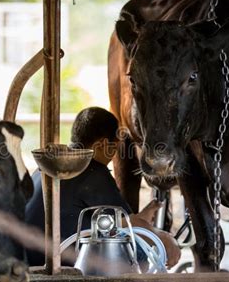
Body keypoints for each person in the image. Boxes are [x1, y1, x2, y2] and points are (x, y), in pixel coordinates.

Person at [25, 107, 181, 268]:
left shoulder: (47, 167)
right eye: (114, 148)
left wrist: (142, 217)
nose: (113, 155)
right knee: (136, 249)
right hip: (54, 262)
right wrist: (165, 238)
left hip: (28, 256)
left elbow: (122, 221)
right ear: (103, 144)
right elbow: (127, 224)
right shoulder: (92, 170)